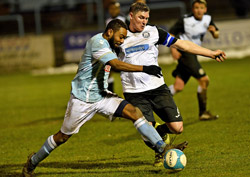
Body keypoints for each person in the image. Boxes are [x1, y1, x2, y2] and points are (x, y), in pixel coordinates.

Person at [22, 19, 173, 177]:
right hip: (82, 100)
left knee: (134, 112)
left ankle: (162, 148)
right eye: (120, 37)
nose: (122, 41)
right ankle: (33, 161)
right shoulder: (97, 42)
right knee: (62, 137)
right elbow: (115, 64)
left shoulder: (112, 45)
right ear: (109, 32)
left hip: (102, 96)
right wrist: (145, 68)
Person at [117, 2, 226, 166]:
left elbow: (182, 44)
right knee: (146, 132)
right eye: (141, 17)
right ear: (131, 16)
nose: (144, 21)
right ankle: (160, 151)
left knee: (177, 128)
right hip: (134, 92)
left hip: (157, 88)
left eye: (146, 18)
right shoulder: (120, 36)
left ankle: (159, 132)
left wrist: (210, 53)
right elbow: (106, 59)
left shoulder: (153, 32)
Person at [168, 0, 220, 121]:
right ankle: (203, 113)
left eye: (201, 7)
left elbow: (216, 34)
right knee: (204, 80)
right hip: (185, 53)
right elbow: (171, 33)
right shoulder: (185, 19)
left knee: (178, 86)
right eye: (196, 7)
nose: (199, 10)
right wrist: (173, 50)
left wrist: (214, 32)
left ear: (205, 9)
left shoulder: (207, 19)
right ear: (192, 9)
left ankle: (153, 99)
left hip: (193, 53)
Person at [105, 1, 126, 92]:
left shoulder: (123, 19)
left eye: (115, 9)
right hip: (113, 49)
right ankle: (111, 94)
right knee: (108, 71)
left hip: (122, 49)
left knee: (126, 71)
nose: (113, 11)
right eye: (111, 9)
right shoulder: (108, 20)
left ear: (118, 9)